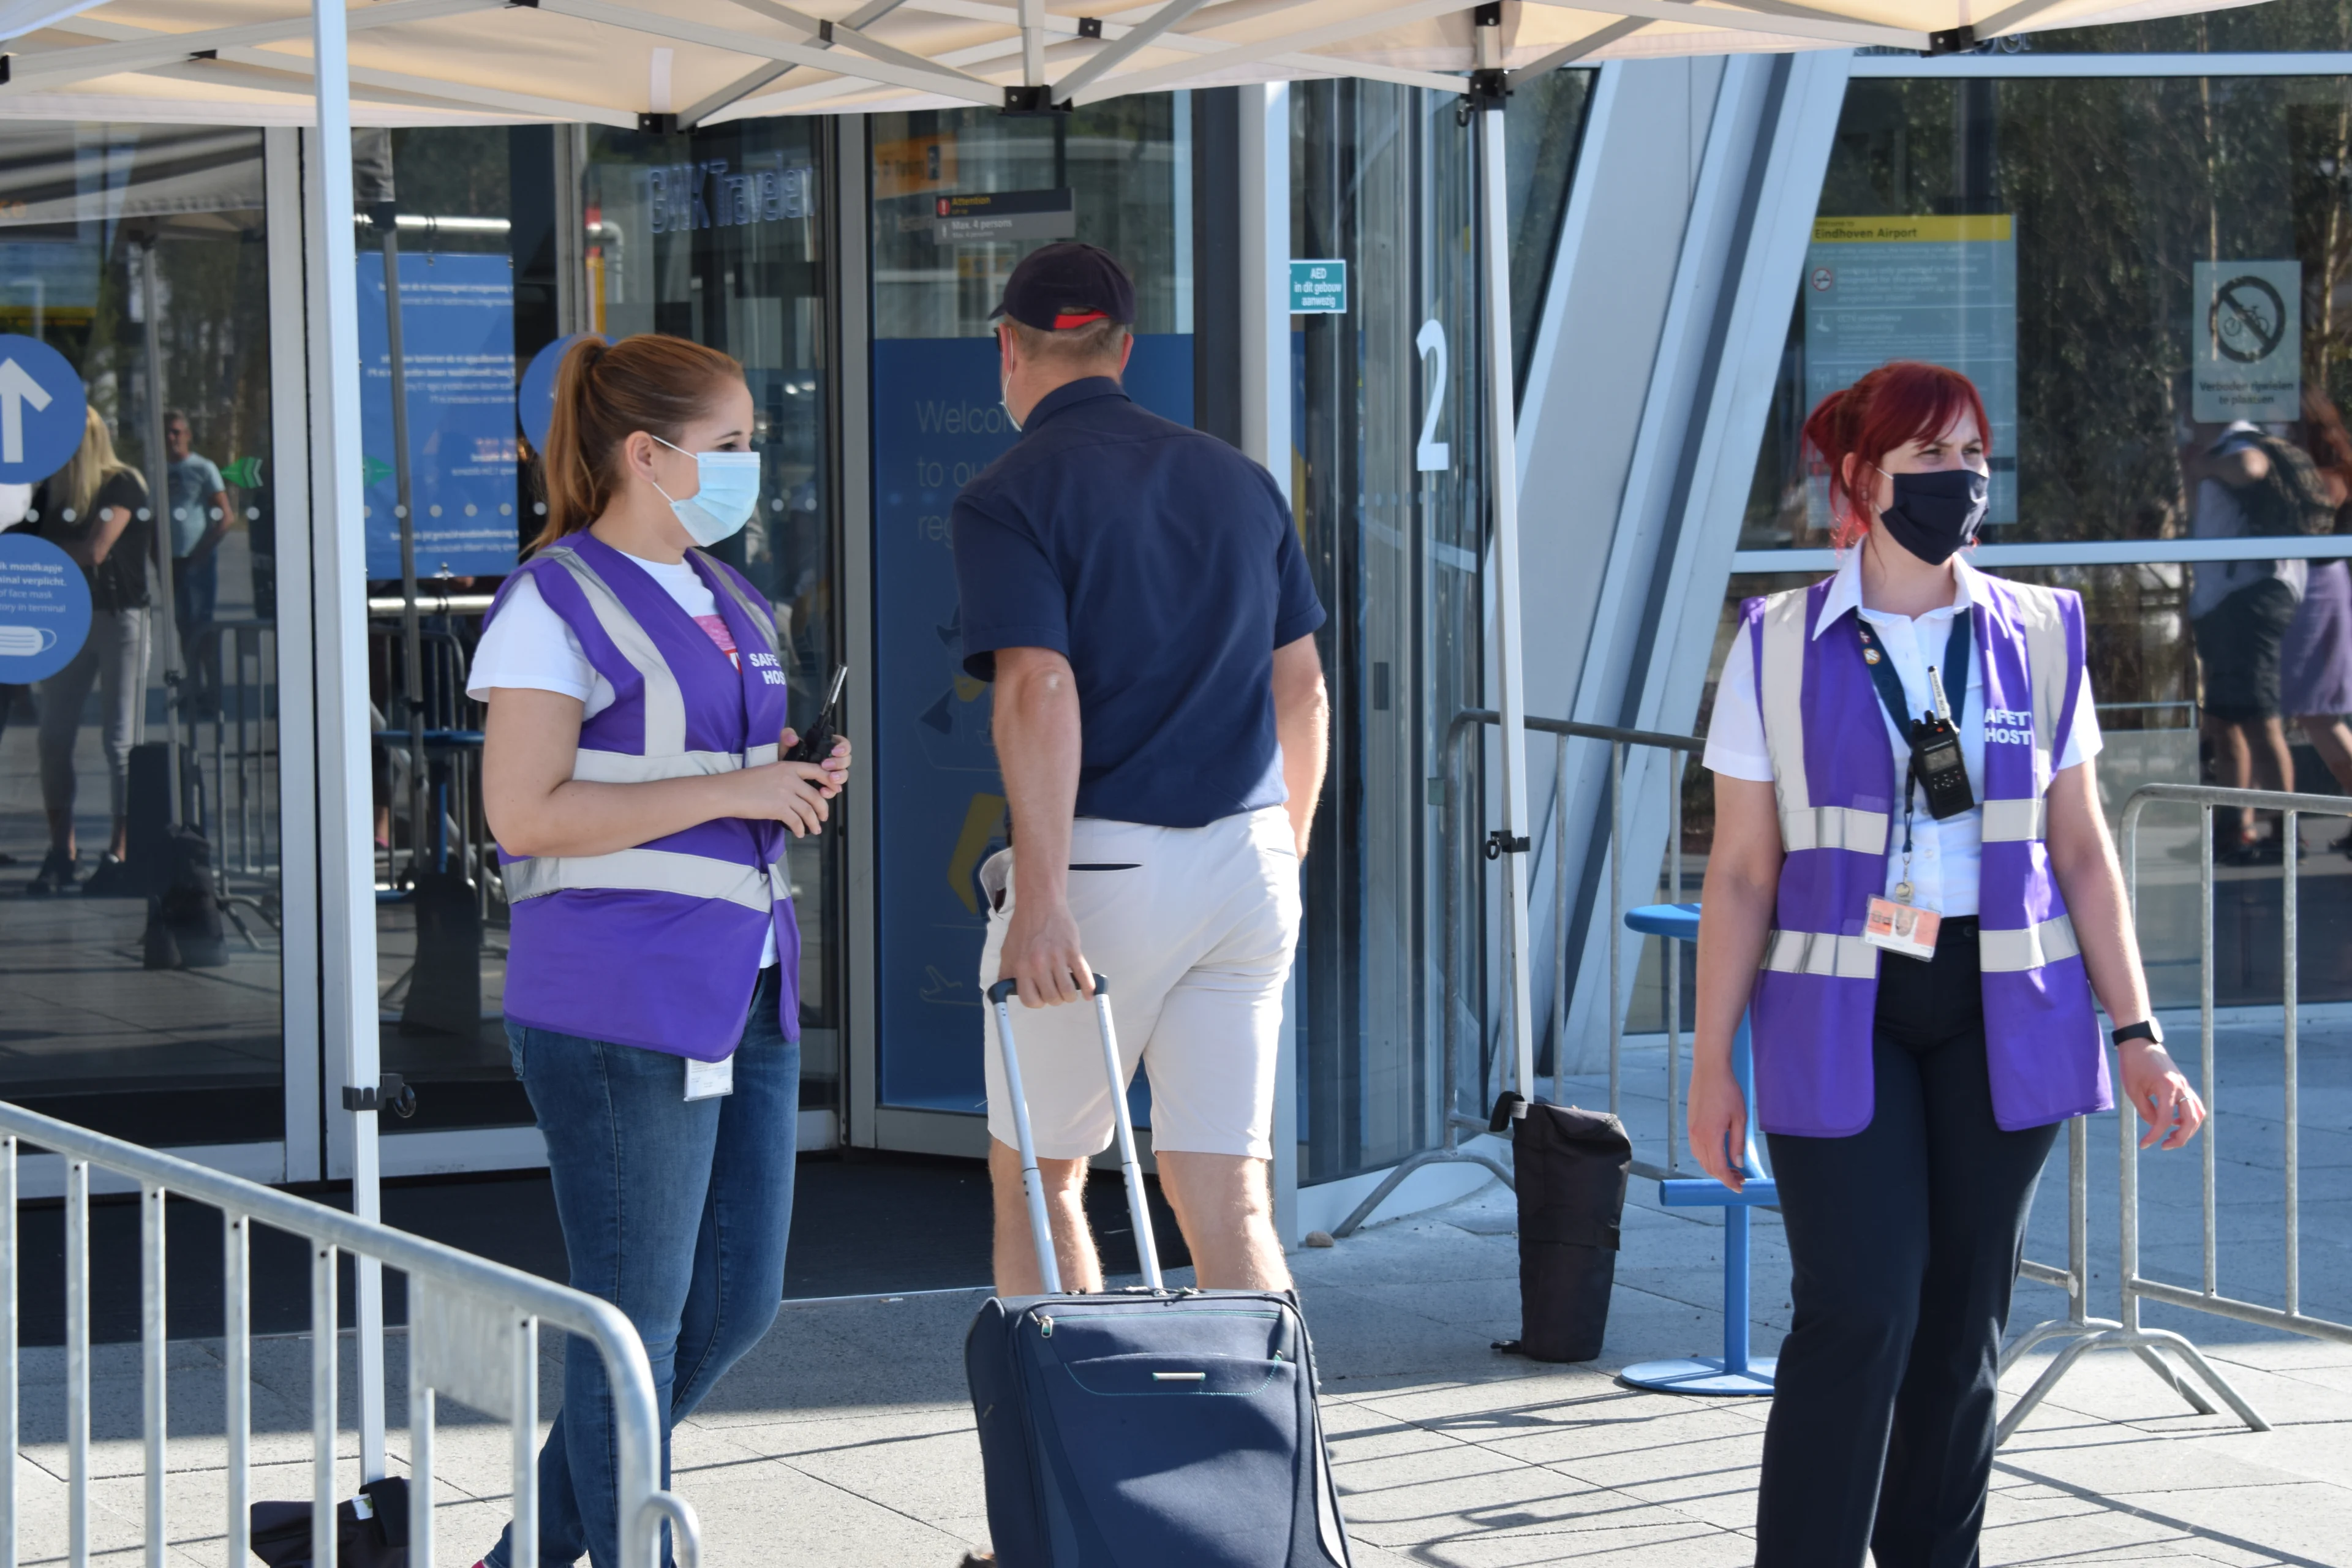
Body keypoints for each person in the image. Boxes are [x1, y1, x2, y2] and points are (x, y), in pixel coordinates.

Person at [1691, 361, 2206, 1568]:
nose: (1961, 479)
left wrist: (2139, 1035)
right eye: (1929, 459)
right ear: (1862, 478)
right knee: (1860, 1305)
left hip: (2004, 1008)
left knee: (1961, 1326)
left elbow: (2082, 851)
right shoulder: (1774, 643)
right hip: (1839, 1010)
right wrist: (1711, 1061)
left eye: (1975, 454)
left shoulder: (2040, 629)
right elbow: (1742, 873)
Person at [470, 334, 850, 1568]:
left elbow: (704, 773)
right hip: (619, 997)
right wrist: (739, 781)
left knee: (734, 1305)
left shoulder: (730, 595)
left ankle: (525, 1555)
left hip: (741, 981)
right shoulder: (554, 597)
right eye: (731, 444)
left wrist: (790, 777)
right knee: (633, 1320)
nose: (751, 465)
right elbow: (525, 813)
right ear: (648, 453)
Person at [953, 242, 1330, 1298]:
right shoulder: (1241, 482)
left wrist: (1040, 898)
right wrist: (1282, 856)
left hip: (1106, 869)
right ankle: (1271, 1453)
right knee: (1227, 1191)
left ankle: (1066, 1448)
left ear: (1007, 352)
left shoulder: (1008, 492)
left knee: (1043, 1174)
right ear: (1126, 348)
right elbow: (1302, 693)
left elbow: (1040, 690)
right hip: (1253, 858)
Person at [2184, 411, 2332, 861]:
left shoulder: (2238, 445)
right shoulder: (2224, 447)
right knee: (2227, 720)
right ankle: (2236, 828)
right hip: (2225, 601)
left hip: (2247, 598)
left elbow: (2251, 467)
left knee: (2261, 720)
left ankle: (2286, 836)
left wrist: (2204, 467)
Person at [29, 409, 154, 897]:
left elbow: (96, 549)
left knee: (119, 742)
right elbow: (28, 539)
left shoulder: (122, 484)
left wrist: (39, 555)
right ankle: (63, 850)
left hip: (119, 617)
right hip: (67, 618)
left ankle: (120, 851)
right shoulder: (51, 490)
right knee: (52, 738)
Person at [2281, 385, 2352, 845]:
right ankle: (2258, 818)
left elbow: (2312, 518)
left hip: (2319, 590)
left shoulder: (2328, 475)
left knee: (2319, 713)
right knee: (2303, 712)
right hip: (2306, 588)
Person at [164, 410, 230, 709]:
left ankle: (214, 692)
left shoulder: (203, 468)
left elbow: (225, 515)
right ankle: (193, 687)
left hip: (198, 559)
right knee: (182, 625)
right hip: (172, 561)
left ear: (188, 434)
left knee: (202, 626)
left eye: (177, 432)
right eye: (167, 432)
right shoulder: (159, 470)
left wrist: (203, 550)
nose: (172, 438)